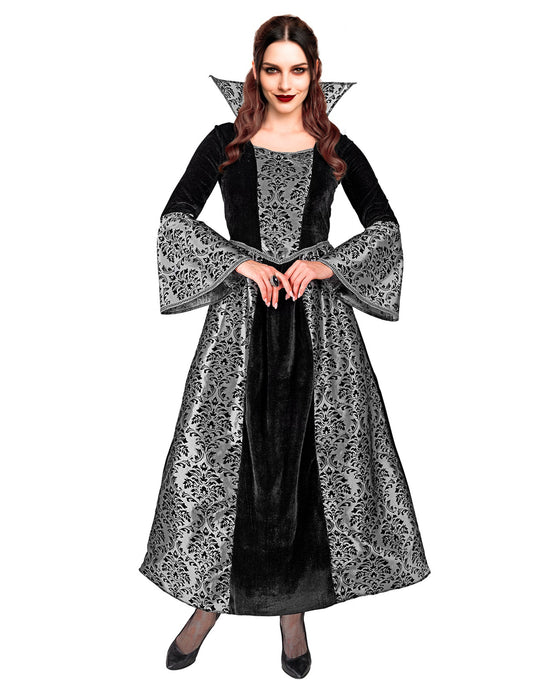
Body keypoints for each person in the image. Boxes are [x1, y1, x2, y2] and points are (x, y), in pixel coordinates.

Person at [139, 14, 430, 679]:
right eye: (272, 68)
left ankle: (293, 614)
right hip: (240, 326)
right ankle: (206, 607)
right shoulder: (225, 142)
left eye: (297, 69)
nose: (284, 82)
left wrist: (325, 263)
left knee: (306, 465)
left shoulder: (335, 147)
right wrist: (240, 261)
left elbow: (385, 229)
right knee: (234, 465)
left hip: (319, 332)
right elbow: (175, 221)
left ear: (313, 73)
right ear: (256, 71)